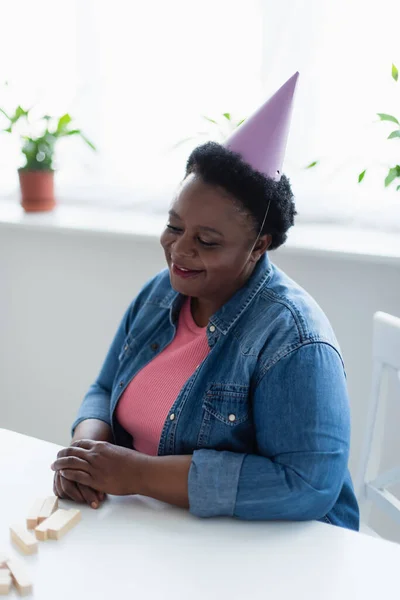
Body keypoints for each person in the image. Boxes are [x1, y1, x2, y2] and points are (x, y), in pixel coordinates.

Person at [51, 73, 360, 530]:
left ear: (259, 246)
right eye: (175, 227)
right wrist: (89, 454)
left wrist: (136, 473)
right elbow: (103, 388)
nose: (179, 251)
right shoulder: (161, 293)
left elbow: (308, 485)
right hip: (168, 532)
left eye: (207, 241)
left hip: (280, 550)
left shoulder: (294, 340)